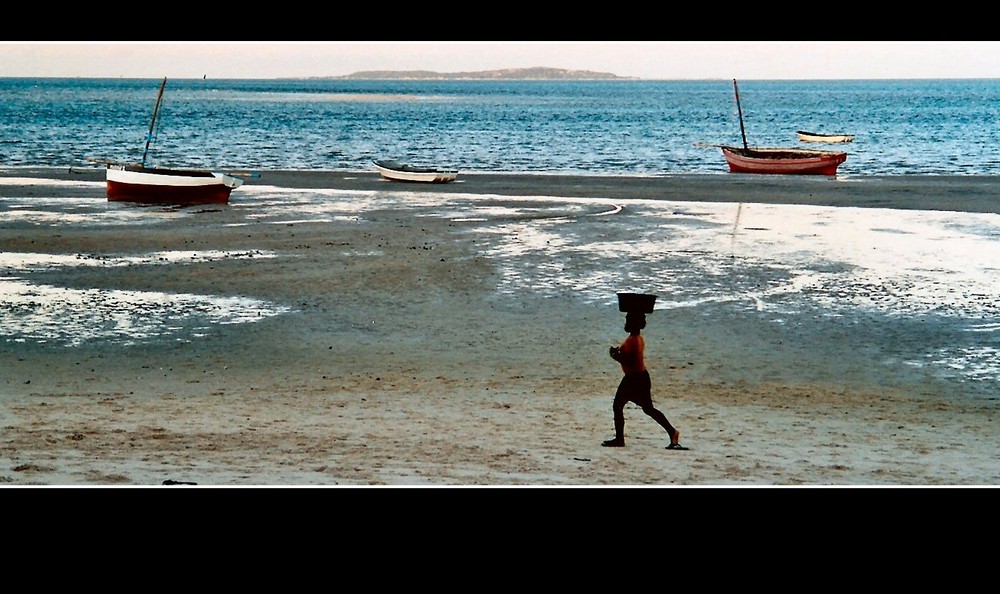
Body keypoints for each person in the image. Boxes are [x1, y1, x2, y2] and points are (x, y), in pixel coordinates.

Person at [602, 311, 685, 450]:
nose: (626, 322)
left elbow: (630, 361)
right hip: (640, 377)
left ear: (633, 323)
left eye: (628, 320)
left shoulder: (633, 341)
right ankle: (672, 432)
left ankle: (619, 439)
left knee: (618, 406)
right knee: (647, 409)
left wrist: (615, 356)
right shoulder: (637, 338)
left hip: (634, 379)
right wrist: (619, 353)